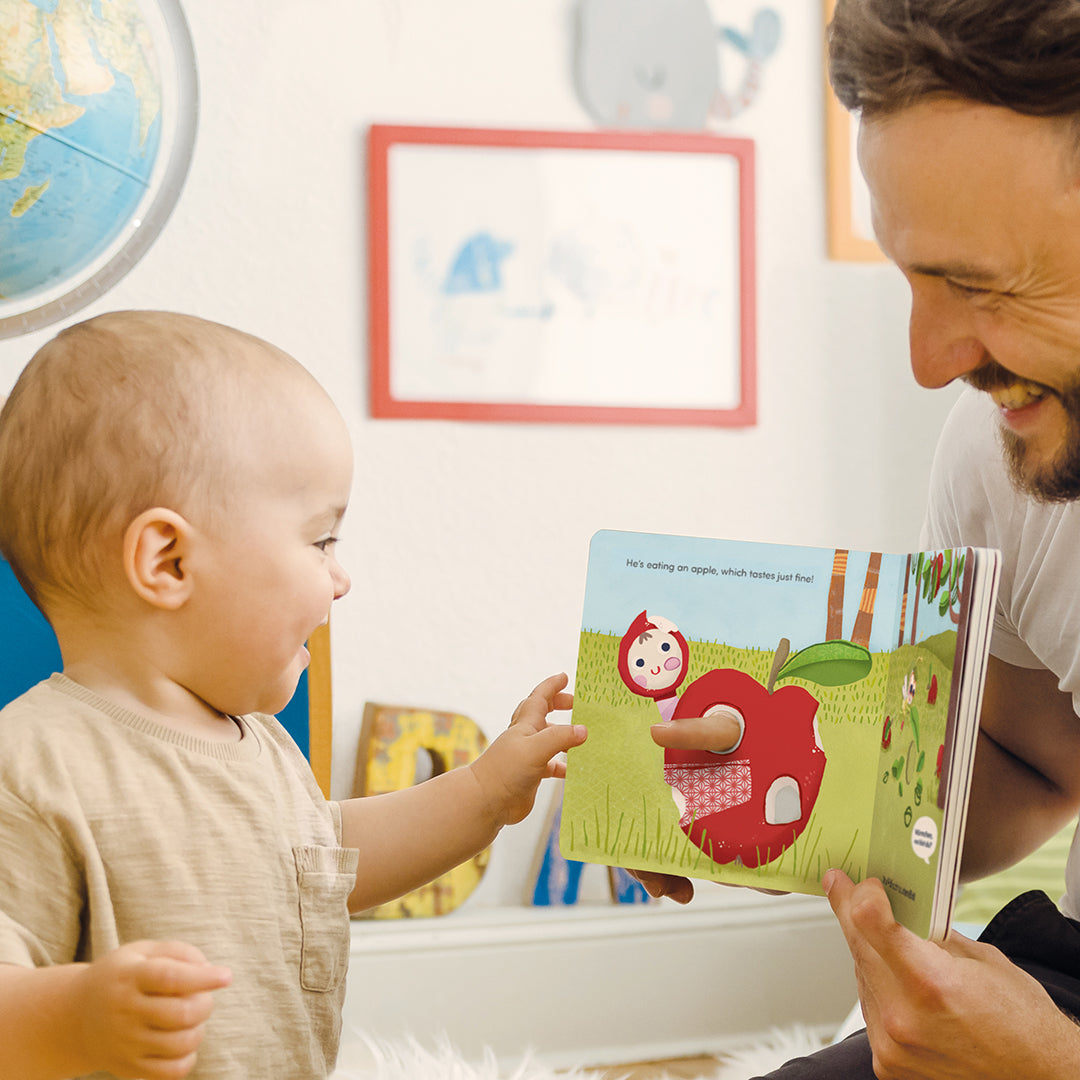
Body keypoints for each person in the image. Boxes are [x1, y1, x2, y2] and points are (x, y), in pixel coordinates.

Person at [637, 1, 1080, 1076]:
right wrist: (784, 802)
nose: (930, 360)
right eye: (915, 278)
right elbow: (1034, 761)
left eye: (980, 285)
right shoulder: (1005, 451)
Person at [0, 310, 587, 1080]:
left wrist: (482, 791)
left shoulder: (257, 743)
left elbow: (326, 864)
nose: (341, 578)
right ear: (169, 562)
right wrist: (74, 1018)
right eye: (321, 541)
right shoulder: (36, 764)